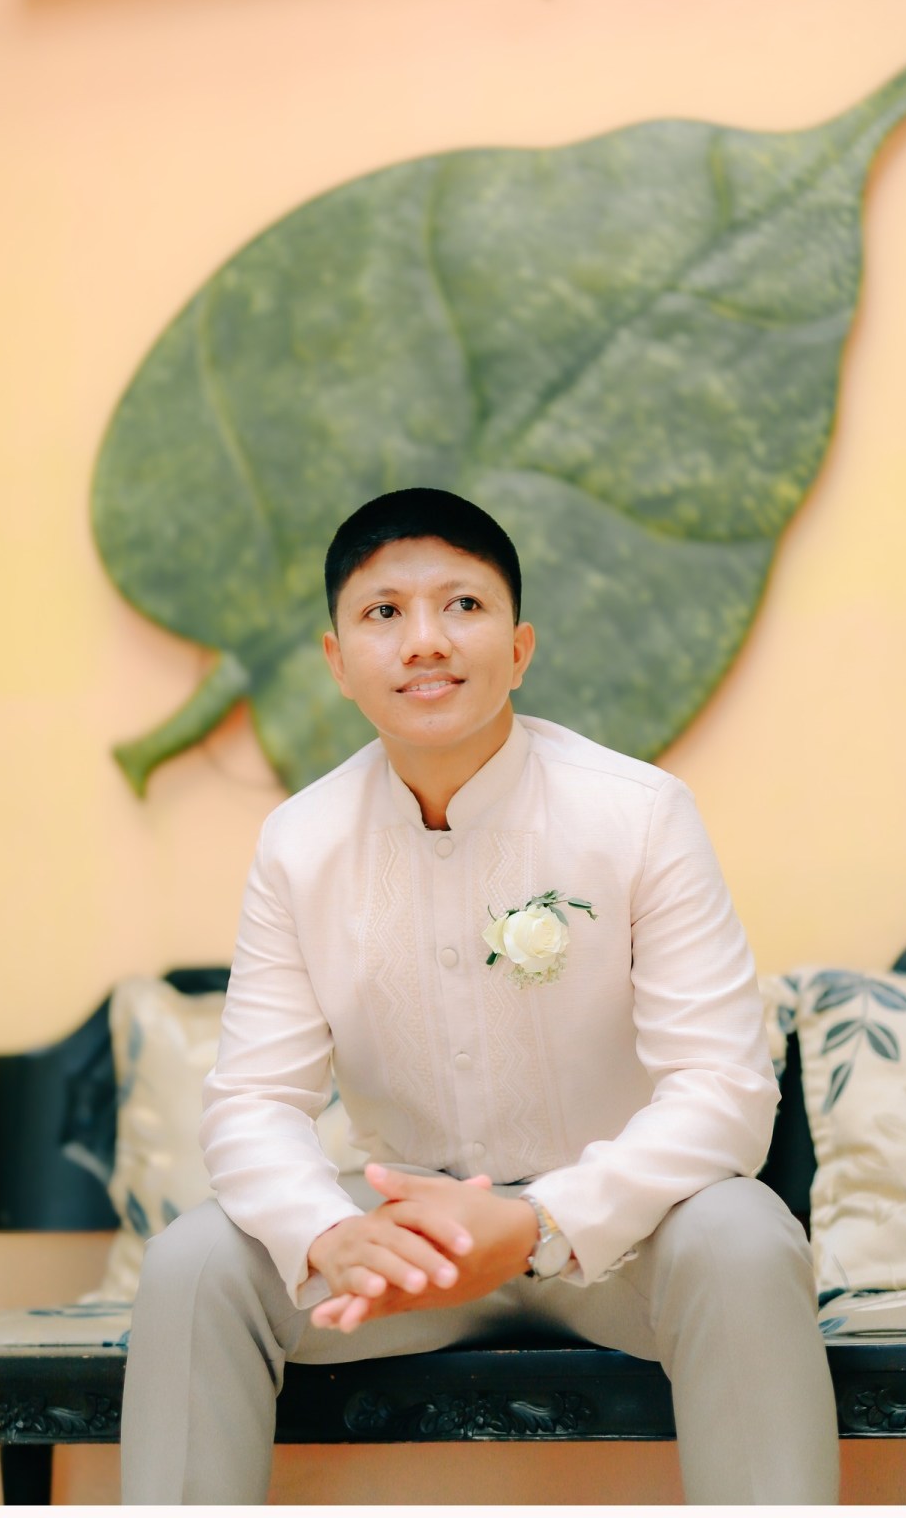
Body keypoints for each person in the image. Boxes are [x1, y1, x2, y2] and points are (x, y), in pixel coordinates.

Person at [120, 487, 839, 1505]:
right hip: (404, 1248)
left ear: (520, 648)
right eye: (384, 612)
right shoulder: (299, 843)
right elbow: (253, 1100)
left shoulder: (639, 814)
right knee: (193, 1262)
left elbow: (724, 1088)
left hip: (622, 1239)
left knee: (744, 1234)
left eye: (463, 604)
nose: (425, 640)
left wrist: (543, 1220)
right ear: (337, 662)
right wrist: (329, 1233)